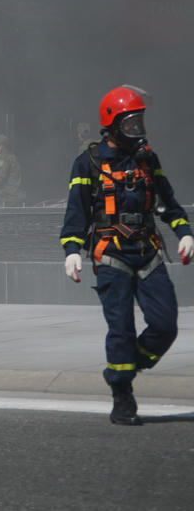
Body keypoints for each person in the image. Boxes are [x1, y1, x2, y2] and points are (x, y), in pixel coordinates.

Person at [60, 86, 194, 425]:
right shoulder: (88, 162)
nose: (138, 130)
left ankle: (128, 364)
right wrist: (72, 250)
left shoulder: (148, 160)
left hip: (148, 251)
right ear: (113, 125)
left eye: (140, 122)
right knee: (121, 328)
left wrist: (184, 231)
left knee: (165, 324)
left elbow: (168, 202)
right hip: (111, 255)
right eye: (131, 124)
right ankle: (122, 396)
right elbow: (76, 212)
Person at [0, 134, 24, 206]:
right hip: (15, 195)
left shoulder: (3, 157)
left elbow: (0, 178)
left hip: (8, 198)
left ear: (1, 146)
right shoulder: (11, 156)